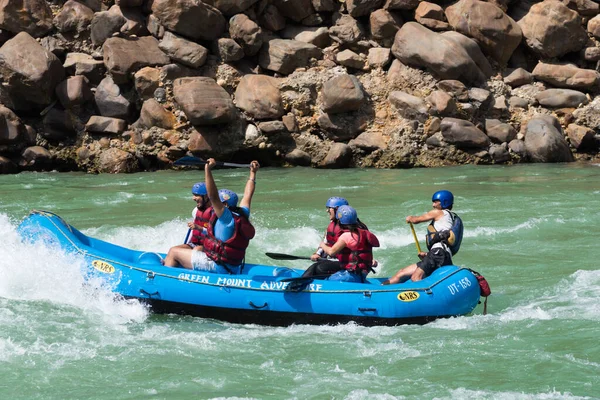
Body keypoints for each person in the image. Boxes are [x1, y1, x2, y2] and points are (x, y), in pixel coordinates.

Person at [163, 158, 259, 274]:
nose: (213, 206)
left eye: (218, 203)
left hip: (217, 266)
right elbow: (248, 194)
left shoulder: (226, 218)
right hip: (232, 266)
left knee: (174, 252)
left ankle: (165, 278)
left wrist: (208, 170)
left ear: (225, 205)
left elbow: (213, 195)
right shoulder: (242, 213)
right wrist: (252, 173)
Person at [383, 190, 463, 285]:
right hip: (439, 254)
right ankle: (380, 289)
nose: (433, 205)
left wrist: (411, 218)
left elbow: (417, 220)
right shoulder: (450, 218)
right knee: (402, 273)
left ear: (444, 202)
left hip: (438, 253)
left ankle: (424, 297)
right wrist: (427, 254)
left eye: (435, 202)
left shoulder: (439, 213)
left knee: (416, 277)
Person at [301, 205, 379, 282]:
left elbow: (331, 252)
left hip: (351, 275)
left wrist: (322, 245)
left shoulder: (346, 236)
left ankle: (296, 287)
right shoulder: (364, 232)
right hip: (362, 273)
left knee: (326, 279)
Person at [311, 197, 368, 261]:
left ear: (338, 209)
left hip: (349, 261)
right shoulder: (332, 225)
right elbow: (326, 242)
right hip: (333, 258)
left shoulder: (357, 227)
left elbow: (365, 247)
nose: (327, 210)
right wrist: (317, 253)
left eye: (329, 208)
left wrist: (369, 259)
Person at [171, 182, 213, 252]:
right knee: (173, 250)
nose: (193, 198)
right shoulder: (195, 211)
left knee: (196, 250)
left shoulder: (214, 212)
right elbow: (194, 232)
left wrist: (198, 228)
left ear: (206, 196)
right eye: (193, 195)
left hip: (209, 246)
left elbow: (216, 234)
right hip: (195, 244)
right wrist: (187, 245)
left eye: (196, 195)